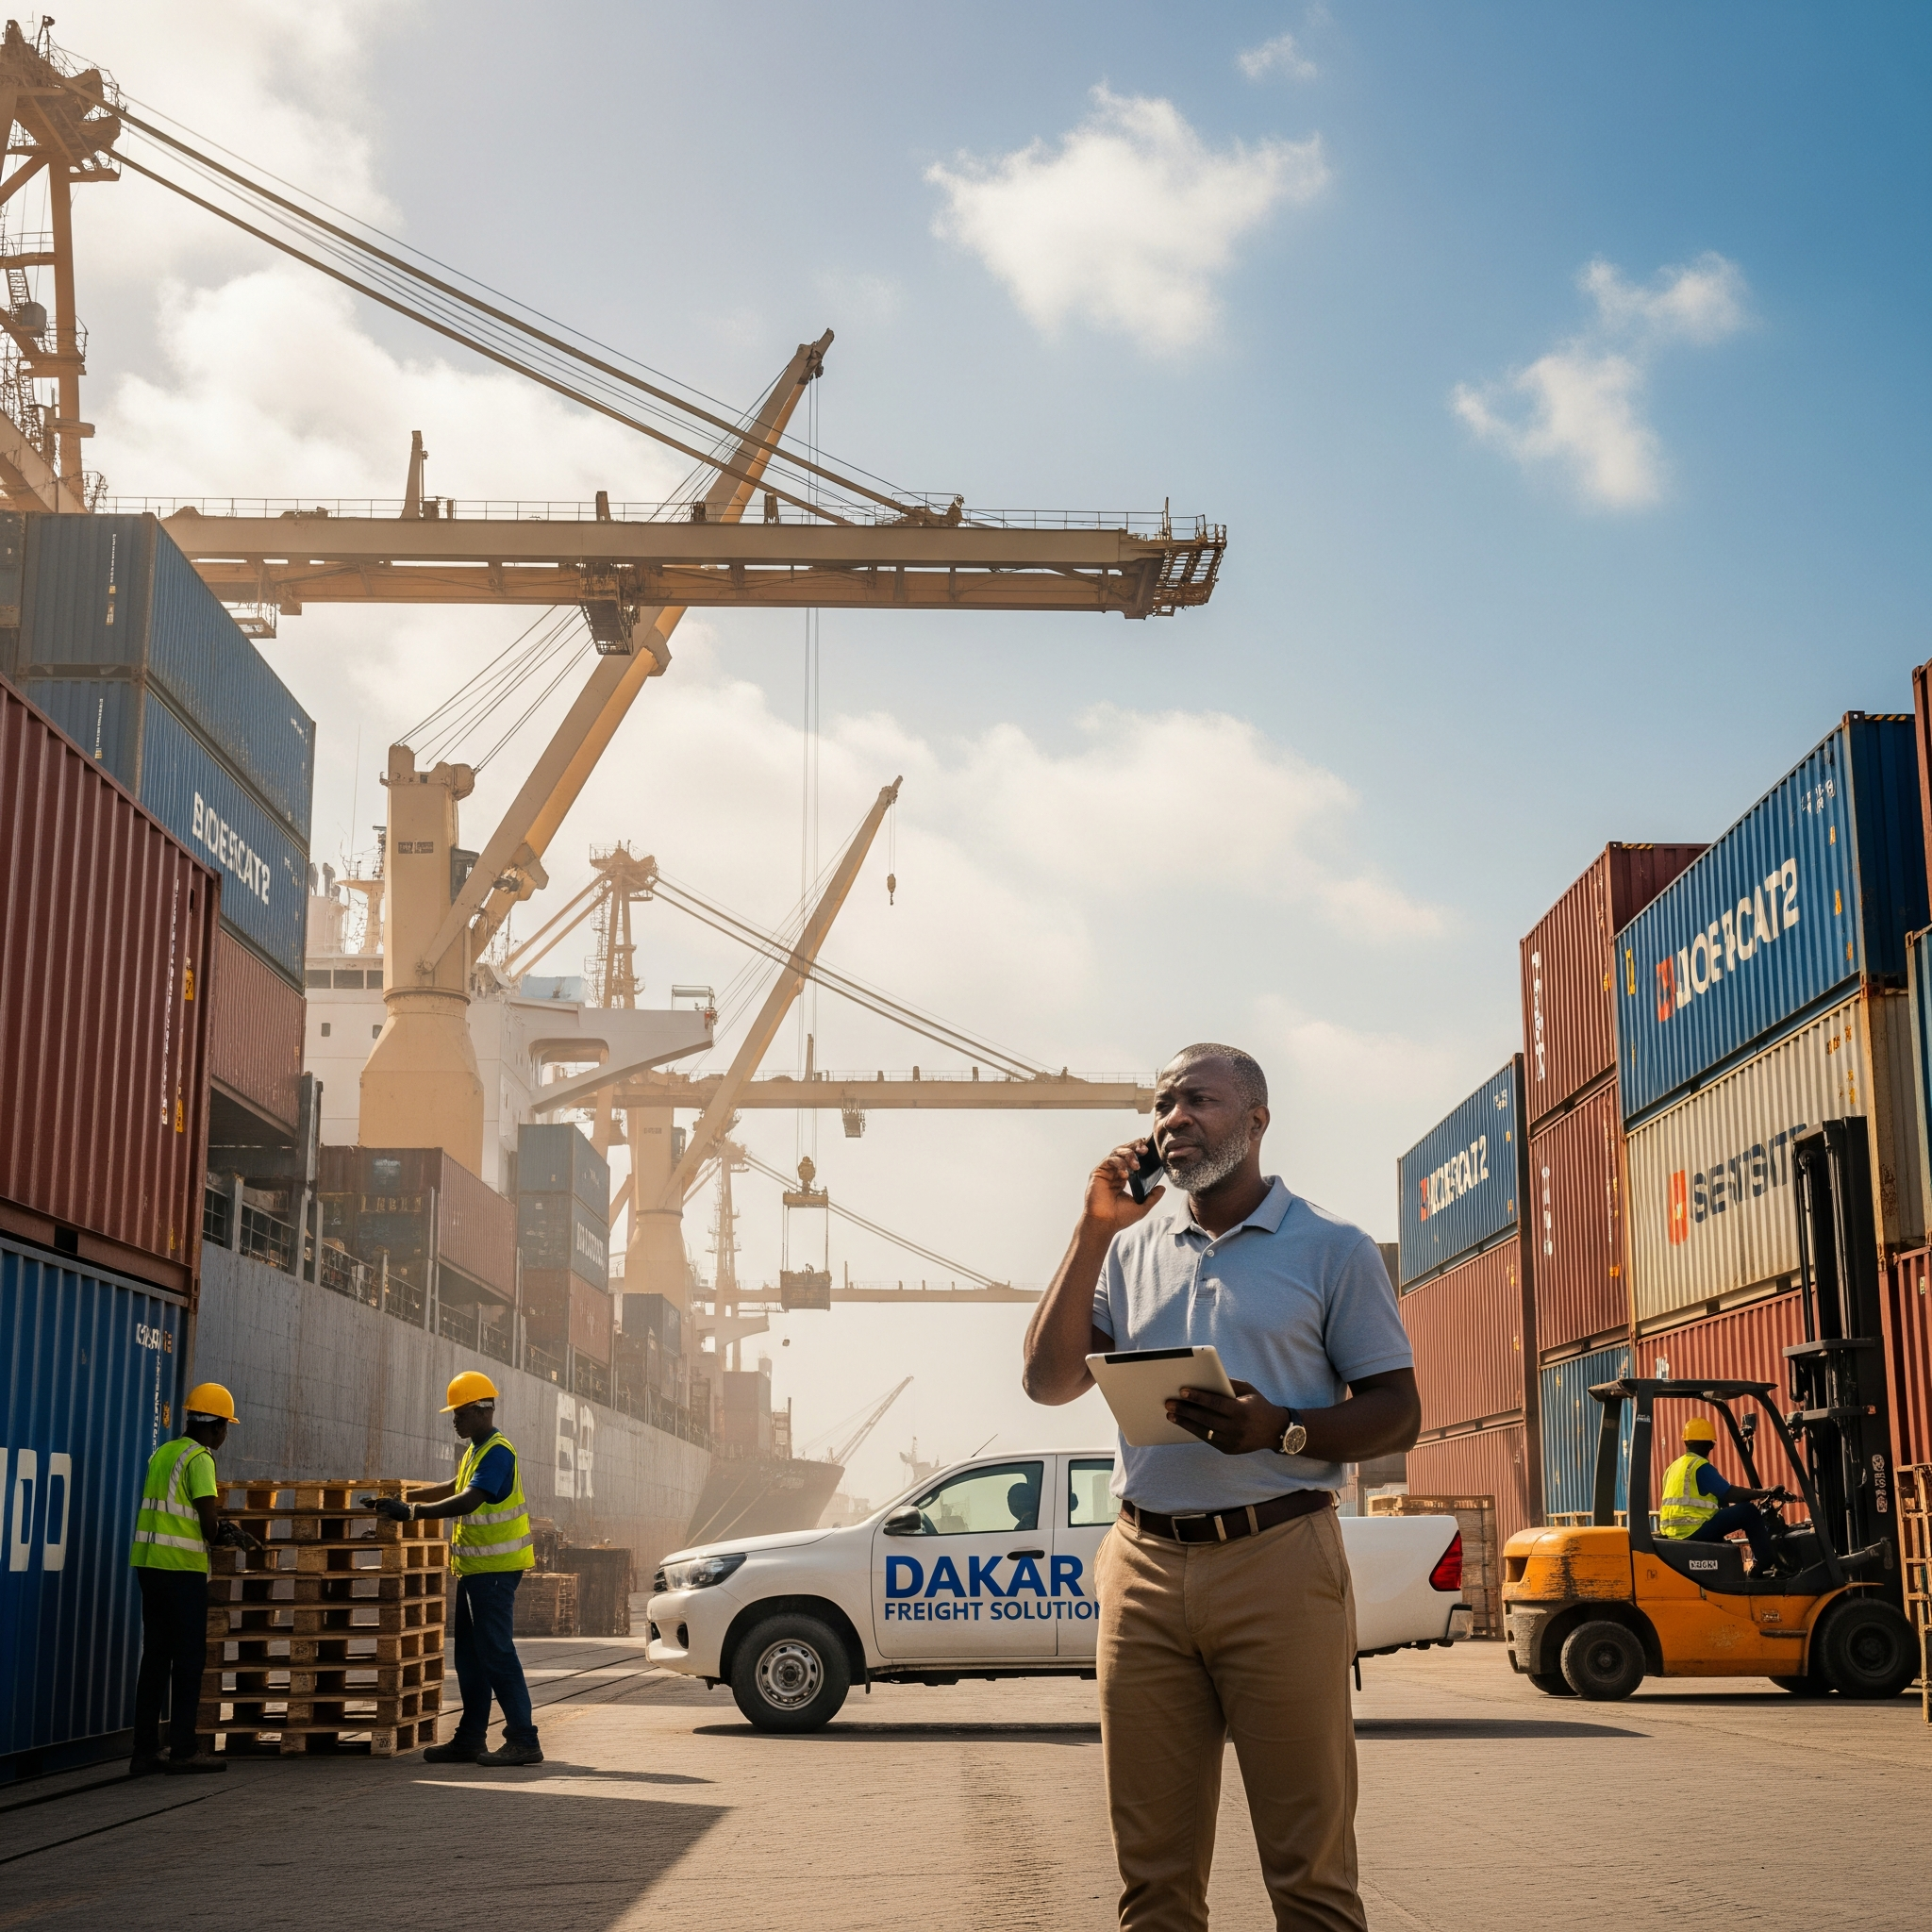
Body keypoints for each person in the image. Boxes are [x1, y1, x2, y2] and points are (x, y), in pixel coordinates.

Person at [1023, 1044, 1420, 1932]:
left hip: (1279, 1559)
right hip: (1144, 1571)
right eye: (1163, 1104)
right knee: (1153, 1886)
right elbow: (1048, 1382)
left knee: (1309, 1877)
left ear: (1256, 1121)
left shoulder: (1333, 1249)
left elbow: (1398, 1412)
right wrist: (1091, 1231)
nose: (1173, 1120)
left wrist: (1278, 1427)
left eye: (1198, 1100)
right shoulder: (1126, 1252)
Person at [363, 1371, 541, 1766]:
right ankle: (470, 1738)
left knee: (496, 1653)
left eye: (459, 1413)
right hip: (475, 1571)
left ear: (481, 1411)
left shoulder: (498, 1451)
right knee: (470, 1658)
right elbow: (452, 1487)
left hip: (495, 1572)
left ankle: (524, 1740)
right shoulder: (476, 1451)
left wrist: (411, 1512)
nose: (453, 1421)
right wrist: (397, 1499)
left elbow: (469, 1500)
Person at [128, 1381, 256, 1776]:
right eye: (226, 1428)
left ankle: (144, 1752)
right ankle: (184, 1750)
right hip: (182, 1571)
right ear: (216, 1426)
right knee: (188, 1661)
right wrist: (231, 1534)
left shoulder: (163, 1453)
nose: (225, 1436)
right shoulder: (200, 1459)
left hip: (150, 1567)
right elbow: (206, 1526)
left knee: (155, 1660)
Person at [1660, 1416, 1786, 1574]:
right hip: (1694, 1530)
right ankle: (1764, 1563)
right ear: (1709, 1445)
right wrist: (1764, 1492)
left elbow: (1716, 1499)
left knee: (1725, 1509)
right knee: (1748, 1511)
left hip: (1674, 1533)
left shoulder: (1673, 1468)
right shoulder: (1700, 1466)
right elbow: (1729, 1493)